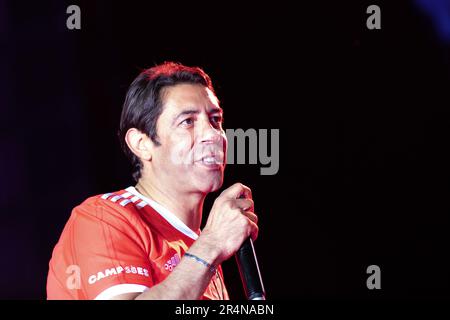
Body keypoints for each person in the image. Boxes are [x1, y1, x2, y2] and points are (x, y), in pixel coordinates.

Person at [46, 62, 259, 300]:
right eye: (188, 121)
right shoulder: (103, 217)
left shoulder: (198, 247)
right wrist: (211, 245)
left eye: (215, 119)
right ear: (141, 144)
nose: (212, 134)